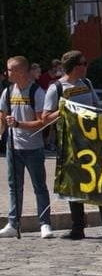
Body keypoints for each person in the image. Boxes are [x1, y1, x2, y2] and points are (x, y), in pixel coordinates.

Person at [45, 51, 102, 241]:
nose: (86, 66)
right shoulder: (57, 88)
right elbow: (45, 118)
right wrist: (65, 109)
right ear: (75, 66)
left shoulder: (87, 83)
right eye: (83, 63)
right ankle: (78, 227)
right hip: (69, 144)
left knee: (100, 183)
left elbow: (96, 106)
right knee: (74, 185)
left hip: (92, 142)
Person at [0, 56, 53, 239]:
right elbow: (3, 116)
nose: (7, 73)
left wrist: (18, 124)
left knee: (39, 186)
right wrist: (2, 131)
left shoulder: (37, 92)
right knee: (14, 186)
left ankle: (45, 223)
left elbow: (41, 122)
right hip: (12, 146)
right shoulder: (7, 91)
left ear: (21, 71)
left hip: (33, 148)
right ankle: (13, 223)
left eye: (10, 69)